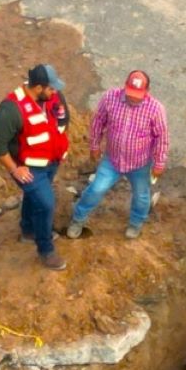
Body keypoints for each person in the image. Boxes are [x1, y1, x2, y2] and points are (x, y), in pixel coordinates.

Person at [64, 69, 168, 241]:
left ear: (146, 92)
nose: (133, 98)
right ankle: (78, 219)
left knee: (142, 196)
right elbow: (98, 121)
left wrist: (159, 164)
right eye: (130, 93)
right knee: (96, 188)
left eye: (137, 95)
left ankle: (135, 223)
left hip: (140, 163)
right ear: (124, 87)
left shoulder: (155, 109)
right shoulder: (110, 98)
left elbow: (162, 138)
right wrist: (94, 145)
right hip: (112, 159)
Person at [0, 63, 70, 271]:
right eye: (51, 88)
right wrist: (15, 169)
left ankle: (28, 229)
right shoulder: (10, 109)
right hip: (29, 168)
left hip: (51, 162)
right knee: (46, 204)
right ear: (38, 87)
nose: (55, 92)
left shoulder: (51, 97)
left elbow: (61, 119)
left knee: (35, 199)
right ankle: (46, 250)